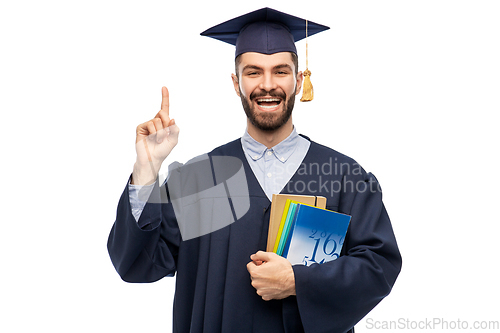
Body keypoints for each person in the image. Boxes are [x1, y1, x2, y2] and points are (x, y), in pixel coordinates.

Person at [108, 7, 402, 333]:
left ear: (298, 78)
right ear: (236, 83)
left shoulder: (343, 177)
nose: (267, 84)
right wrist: (147, 169)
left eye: (280, 71)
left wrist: (297, 281)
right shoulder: (198, 179)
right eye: (253, 72)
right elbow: (135, 264)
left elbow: (379, 266)